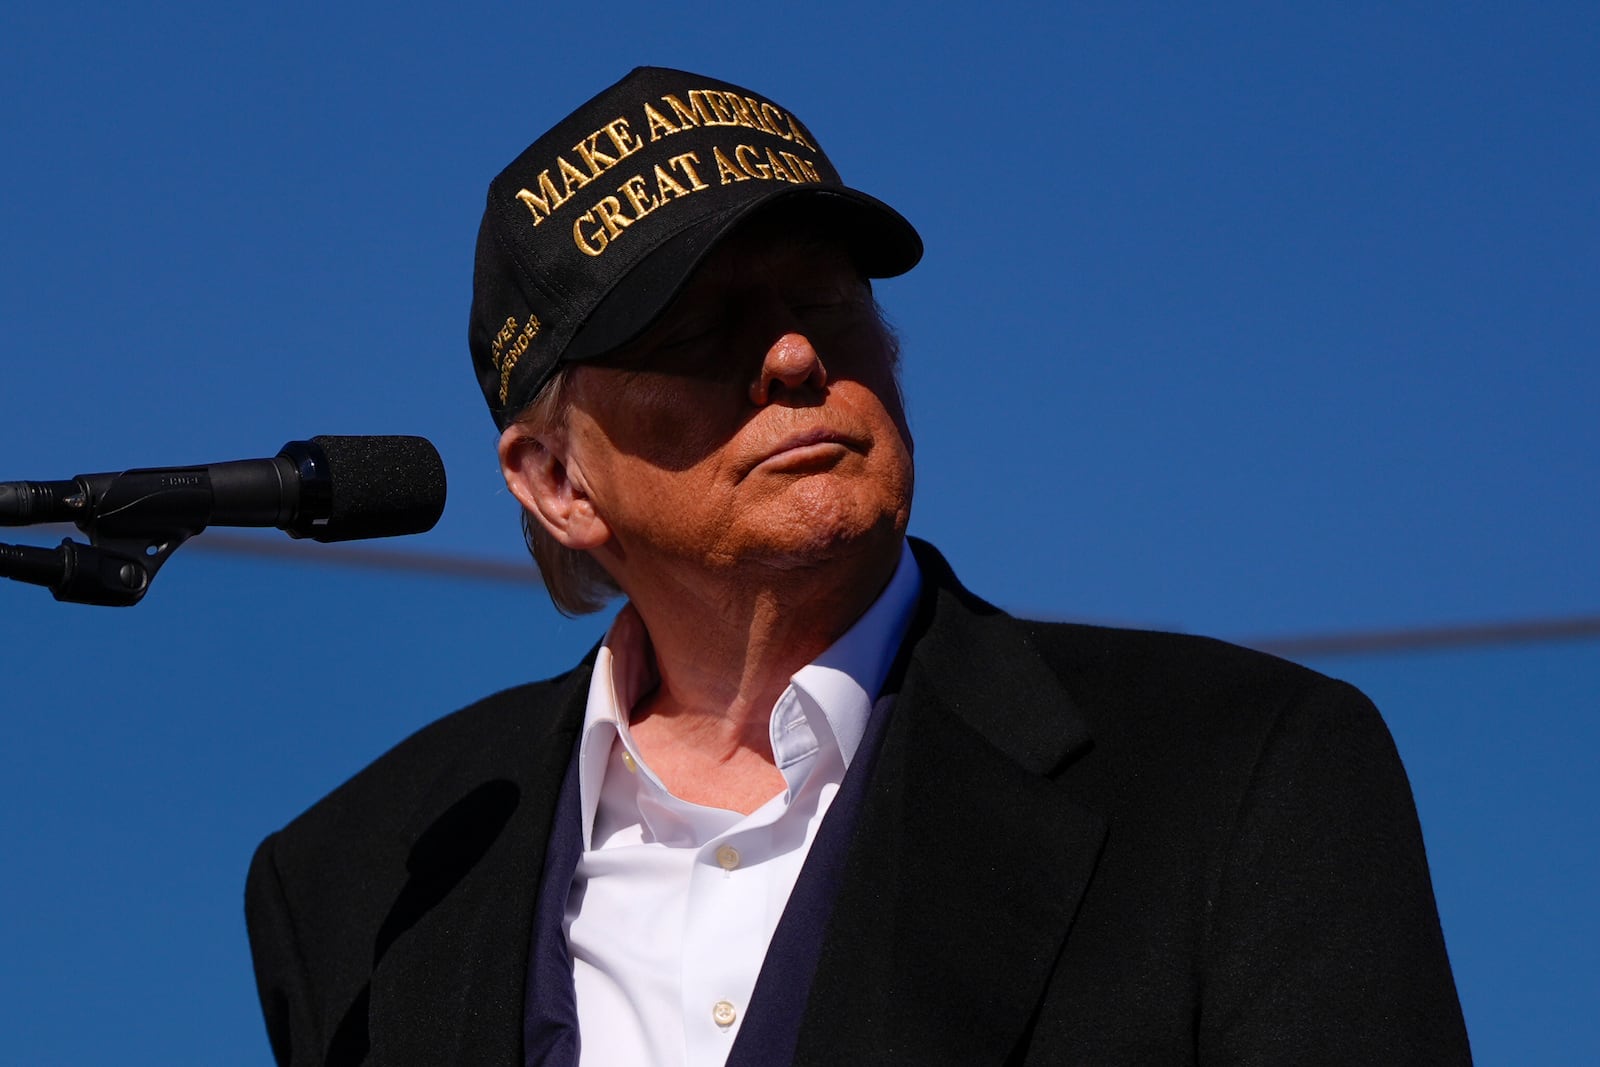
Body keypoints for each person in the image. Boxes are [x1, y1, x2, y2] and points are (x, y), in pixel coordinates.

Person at [245, 66, 1472, 1066]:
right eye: (695, 327)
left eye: (825, 299)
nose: (789, 354)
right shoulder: (366, 875)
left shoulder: (1239, 772)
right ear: (558, 481)